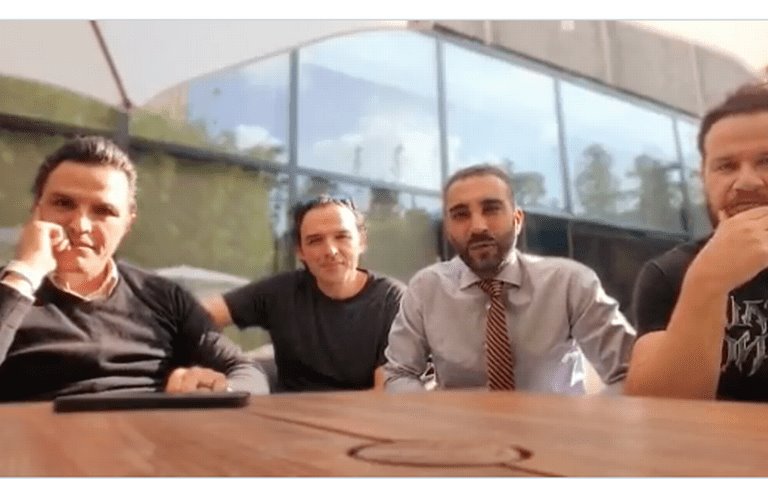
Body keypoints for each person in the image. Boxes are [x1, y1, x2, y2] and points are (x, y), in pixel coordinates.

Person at [0, 136, 268, 401]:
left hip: (147, 428)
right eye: (63, 203)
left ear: (128, 223)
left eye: (103, 210)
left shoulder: (163, 298)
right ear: (36, 209)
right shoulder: (9, 292)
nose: (80, 225)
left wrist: (219, 391)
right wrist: (26, 271)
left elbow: (248, 371)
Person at [384, 164, 636, 394]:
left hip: (554, 426)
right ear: (448, 229)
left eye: (491, 209)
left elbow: (630, 372)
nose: (478, 226)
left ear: (517, 220)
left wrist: (589, 420)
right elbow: (399, 373)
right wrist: (433, 418)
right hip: (458, 427)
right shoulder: (425, 289)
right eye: (460, 215)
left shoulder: (570, 283)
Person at [625, 83, 768, 401]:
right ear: (704, 178)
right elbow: (656, 407)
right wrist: (708, 281)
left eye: (766, 161)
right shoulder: (668, 274)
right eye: (726, 166)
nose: (746, 182)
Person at [203, 196, 405, 393]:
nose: (330, 250)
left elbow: (383, 395)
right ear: (300, 252)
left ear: (361, 242)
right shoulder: (281, 291)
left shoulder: (392, 301)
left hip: (363, 413)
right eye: (315, 240)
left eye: (342, 236)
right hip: (285, 412)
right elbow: (197, 317)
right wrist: (234, 363)